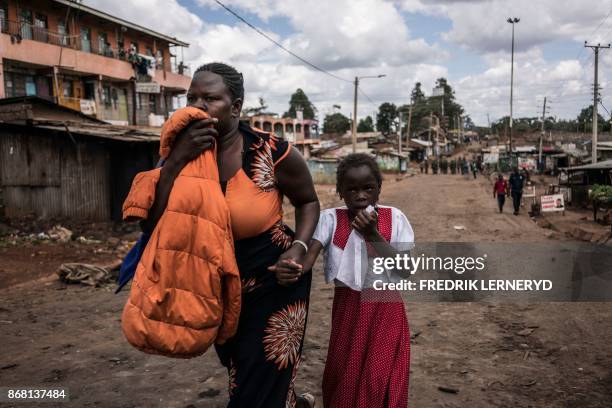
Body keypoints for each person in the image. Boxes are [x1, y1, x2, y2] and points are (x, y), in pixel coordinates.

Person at [139, 62, 320, 408]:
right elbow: (151, 224)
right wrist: (176, 160)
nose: (197, 104)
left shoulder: (272, 152)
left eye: (210, 98)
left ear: (235, 107)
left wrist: (297, 249)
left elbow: (309, 202)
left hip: (273, 278)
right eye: (191, 97)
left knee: (257, 375)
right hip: (212, 281)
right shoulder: (175, 154)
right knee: (239, 365)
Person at [302, 154, 413, 408]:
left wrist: (372, 233)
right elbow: (308, 259)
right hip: (348, 310)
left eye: (368, 188)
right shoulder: (331, 220)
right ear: (340, 191)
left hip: (386, 309)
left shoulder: (394, 218)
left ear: (379, 190)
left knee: (379, 376)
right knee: (343, 373)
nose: (360, 195)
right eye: (351, 189)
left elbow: (405, 269)